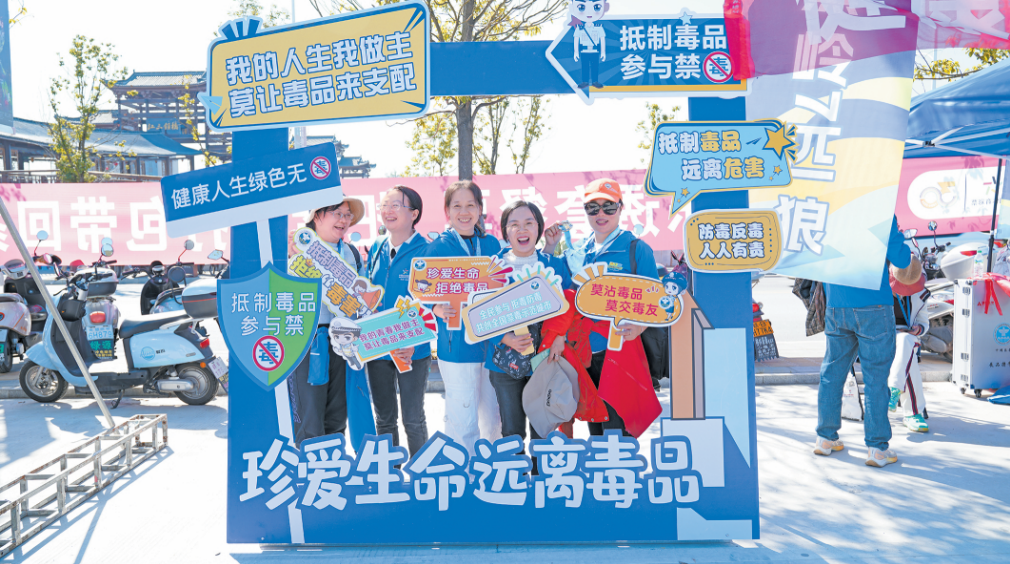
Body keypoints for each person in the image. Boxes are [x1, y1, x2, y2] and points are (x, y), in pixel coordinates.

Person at [814, 215, 910, 468]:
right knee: (876, 378)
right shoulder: (880, 211)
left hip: (836, 302)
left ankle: (825, 438)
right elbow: (902, 260)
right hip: (873, 304)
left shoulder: (831, 211)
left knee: (832, 372)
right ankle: (877, 449)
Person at [571, 178, 659, 436]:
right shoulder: (579, 252)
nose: (601, 214)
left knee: (617, 431)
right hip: (587, 355)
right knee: (596, 428)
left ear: (621, 208)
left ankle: (619, 464)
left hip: (621, 355)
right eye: (593, 207)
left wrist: (640, 326)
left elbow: (656, 301)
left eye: (608, 207)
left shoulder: (636, 249)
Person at [484, 201, 571, 451]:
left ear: (538, 228)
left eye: (529, 223)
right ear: (505, 231)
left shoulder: (554, 264)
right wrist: (505, 338)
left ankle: (540, 473)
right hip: (504, 362)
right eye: (514, 224)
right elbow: (478, 313)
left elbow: (568, 305)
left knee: (543, 428)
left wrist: (559, 337)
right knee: (511, 431)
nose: (522, 229)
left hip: (546, 358)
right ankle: (516, 474)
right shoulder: (492, 268)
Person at [427, 181, 503, 456]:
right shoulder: (438, 247)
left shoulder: (492, 244)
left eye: (470, 205)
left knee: (493, 416)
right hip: (457, 345)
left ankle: (492, 468)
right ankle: (464, 471)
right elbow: (420, 287)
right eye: (456, 205)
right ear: (447, 210)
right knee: (462, 415)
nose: (464, 212)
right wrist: (434, 307)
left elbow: (506, 284)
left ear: (480, 209)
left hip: (493, 344)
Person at [287, 198, 366, 447]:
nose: (343, 220)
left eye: (347, 215)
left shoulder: (351, 253)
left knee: (337, 415)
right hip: (307, 341)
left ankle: (333, 465)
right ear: (316, 215)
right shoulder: (294, 246)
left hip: (344, 341)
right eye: (336, 213)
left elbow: (364, 298)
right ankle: (310, 467)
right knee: (309, 417)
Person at [363, 186, 432, 457]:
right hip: (378, 346)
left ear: (414, 214)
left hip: (412, 350)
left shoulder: (427, 250)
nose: (388, 211)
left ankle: (422, 472)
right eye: (384, 205)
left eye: (396, 205)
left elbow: (432, 302)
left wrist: (414, 340)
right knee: (384, 419)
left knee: (413, 419)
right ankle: (389, 472)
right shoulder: (377, 247)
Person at [889, 286, 930, 433]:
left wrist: (918, 329)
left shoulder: (919, 293)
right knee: (908, 357)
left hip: (907, 337)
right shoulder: (878, 287)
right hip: (880, 336)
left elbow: (924, 323)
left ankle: (894, 390)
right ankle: (913, 413)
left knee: (905, 341)